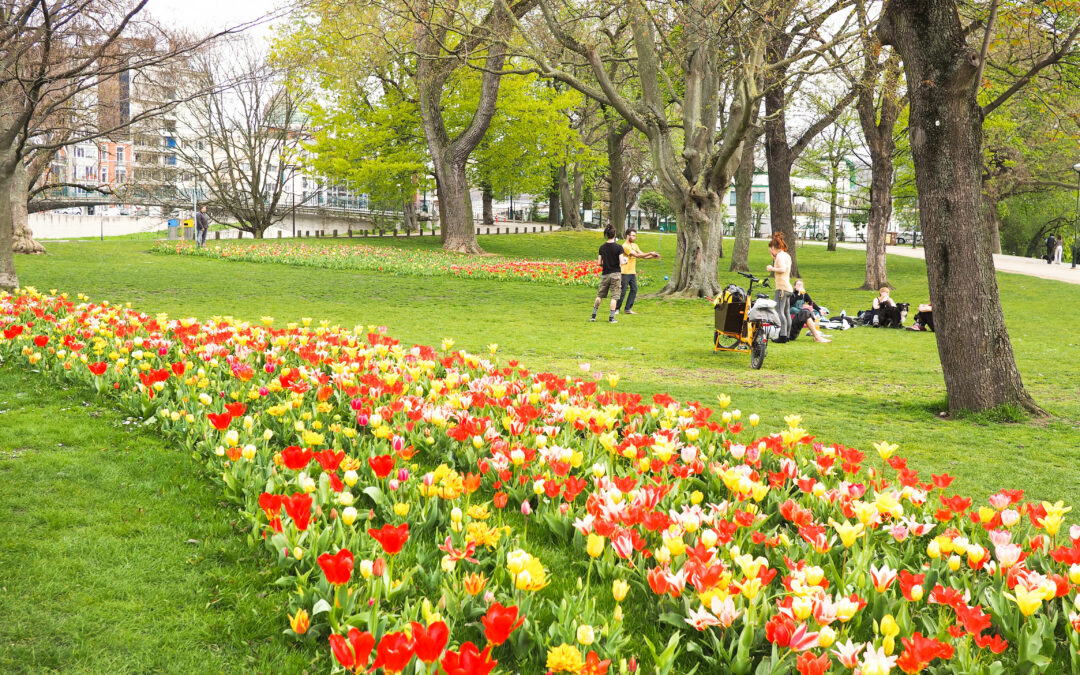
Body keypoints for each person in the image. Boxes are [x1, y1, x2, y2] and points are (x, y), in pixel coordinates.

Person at [615, 228, 660, 315]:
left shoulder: (635, 245)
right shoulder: (625, 246)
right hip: (624, 272)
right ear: (628, 236)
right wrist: (650, 252)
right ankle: (616, 309)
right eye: (633, 235)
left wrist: (653, 257)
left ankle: (628, 309)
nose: (635, 237)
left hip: (632, 272)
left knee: (634, 289)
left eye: (635, 236)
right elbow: (637, 255)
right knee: (622, 291)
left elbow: (642, 255)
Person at [591, 225, 627, 323]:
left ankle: (593, 316)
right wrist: (625, 261)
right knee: (614, 297)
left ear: (606, 235)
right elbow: (621, 262)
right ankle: (611, 318)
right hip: (615, 274)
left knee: (599, 295)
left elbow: (599, 263)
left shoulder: (602, 247)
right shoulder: (619, 247)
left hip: (605, 274)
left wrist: (605, 266)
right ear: (614, 234)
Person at [766, 232, 793, 343]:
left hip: (781, 287)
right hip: (788, 288)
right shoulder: (786, 255)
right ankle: (787, 335)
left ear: (773, 247)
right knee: (786, 312)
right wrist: (773, 257)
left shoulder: (780, 257)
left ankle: (782, 336)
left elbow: (782, 269)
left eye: (771, 248)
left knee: (779, 311)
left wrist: (771, 268)